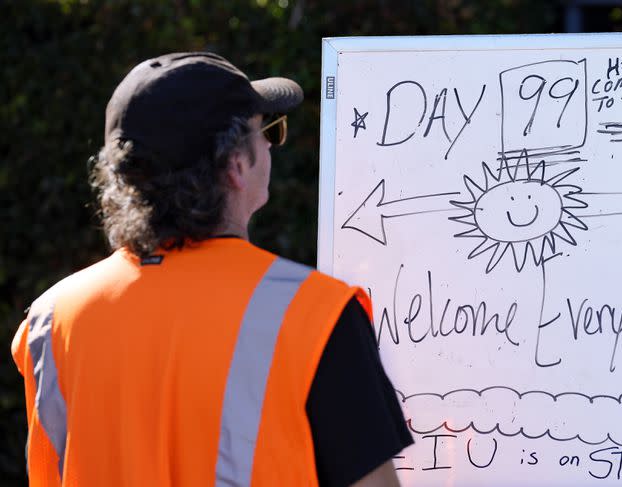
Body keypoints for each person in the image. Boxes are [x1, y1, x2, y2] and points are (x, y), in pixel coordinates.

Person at [11, 52, 412, 487]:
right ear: (236, 166)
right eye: (270, 132)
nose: (274, 145)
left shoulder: (50, 322)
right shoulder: (315, 315)